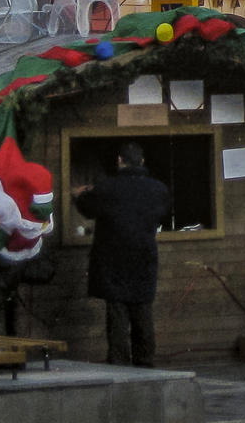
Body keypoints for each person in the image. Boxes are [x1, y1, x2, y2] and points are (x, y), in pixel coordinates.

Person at [73, 142, 172, 367]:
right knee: (142, 308)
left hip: (113, 257)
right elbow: (163, 214)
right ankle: (145, 361)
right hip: (144, 255)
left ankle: (119, 362)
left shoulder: (107, 187)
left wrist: (80, 195)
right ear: (142, 162)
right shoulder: (158, 189)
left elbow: (87, 209)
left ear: (120, 161)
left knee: (117, 310)